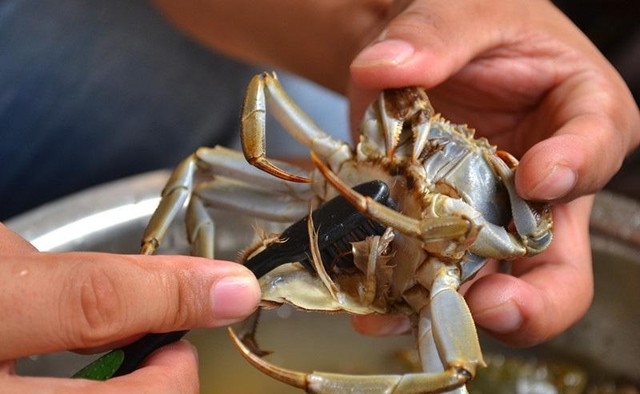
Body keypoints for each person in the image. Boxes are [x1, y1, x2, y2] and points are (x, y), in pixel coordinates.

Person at [1, 1, 638, 393]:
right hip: (330, 192)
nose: (450, 151)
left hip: (443, 264)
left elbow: (523, 240)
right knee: (199, 157)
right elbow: (236, 132)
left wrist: (378, 23)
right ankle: (170, 267)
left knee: (451, 372)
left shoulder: (483, 213)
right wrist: (382, 29)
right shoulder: (372, 150)